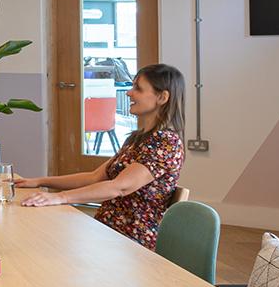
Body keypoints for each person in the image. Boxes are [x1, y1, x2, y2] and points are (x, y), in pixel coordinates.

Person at [13, 63, 186, 250]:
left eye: (138, 88)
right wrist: (40, 181)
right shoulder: (137, 139)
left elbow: (119, 187)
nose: (129, 93)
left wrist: (60, 197)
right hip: (107, 230)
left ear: (162, 97)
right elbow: (94, 177)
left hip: (131, 242)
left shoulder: (166, 143)